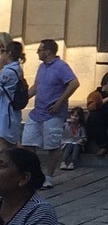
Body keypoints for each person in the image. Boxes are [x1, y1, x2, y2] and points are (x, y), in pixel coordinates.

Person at [22, 40, 79, 187]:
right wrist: (23, 99)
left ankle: (48, 177)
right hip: (37, 112)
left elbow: (74, 83)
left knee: (52, 146)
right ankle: (35, 174)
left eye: (39, 50)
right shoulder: (41, 67)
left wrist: (59, 102)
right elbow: (36, 86)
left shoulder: (61, 66)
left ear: (48, 51)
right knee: (28, 143)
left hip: (53, 113)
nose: (37, 52)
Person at [0, 38, 26, 148]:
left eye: (3, 52)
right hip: (10, 112)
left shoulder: (8, 72)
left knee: (3, 144)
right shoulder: (17, 69)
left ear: (9, 53)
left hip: (6, 113)